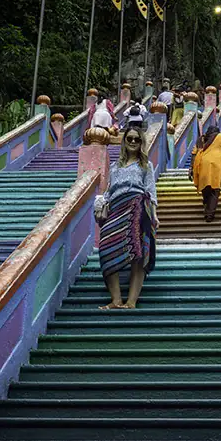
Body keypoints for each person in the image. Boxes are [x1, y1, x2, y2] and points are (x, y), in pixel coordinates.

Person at [98, 126, 158, 309]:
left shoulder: (145, 165)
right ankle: (116, 299)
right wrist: (101, 204)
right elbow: (109, 190)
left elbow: (150, 191)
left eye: (136, 139)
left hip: (138, 206)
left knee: (138, 252)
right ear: (124, 141)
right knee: (106, 249)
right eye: (129, 138)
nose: (132, 142)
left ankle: (131, 301)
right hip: (115, 208)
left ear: (141, 143)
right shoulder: (115, 166)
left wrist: (155, 216)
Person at [190, 126, 221, 222]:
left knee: (205, 188)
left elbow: (194, 154)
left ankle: (206, 207)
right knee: (215, 190)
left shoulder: (201, 139)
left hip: (201, 164)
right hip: (217, 164)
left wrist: (191, 168)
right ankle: (210, 214)